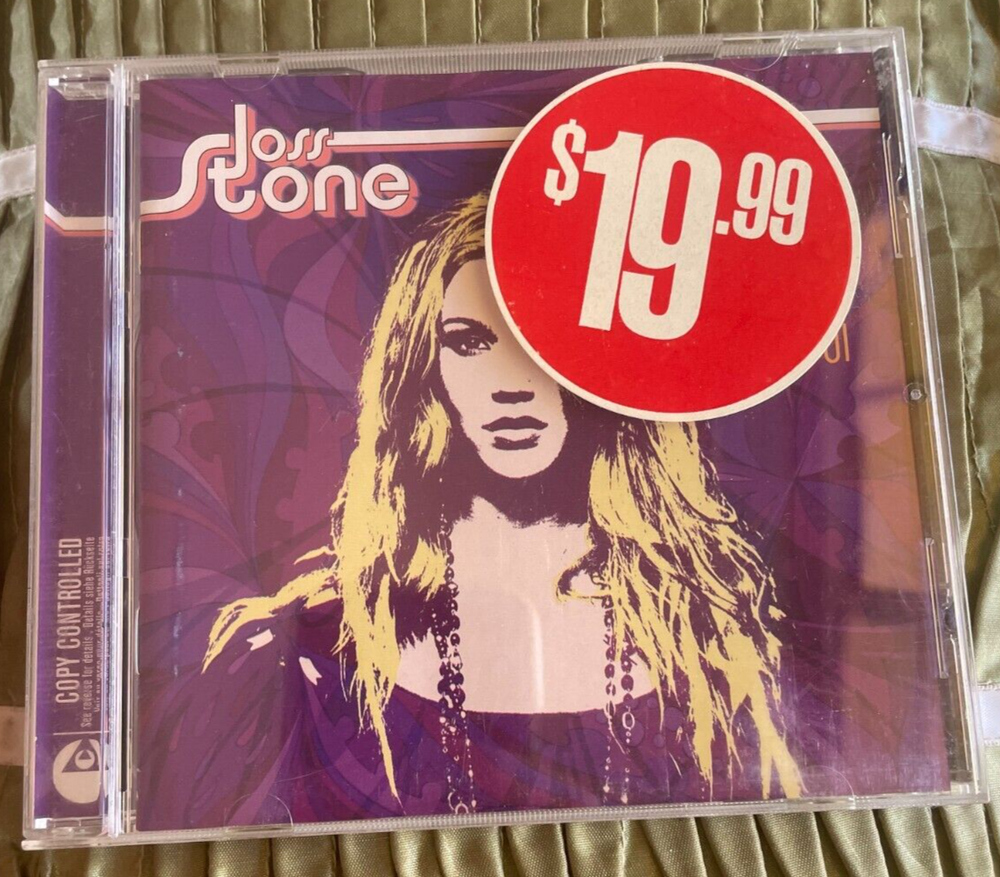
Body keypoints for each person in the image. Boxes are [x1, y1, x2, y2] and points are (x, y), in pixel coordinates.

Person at [158, 192, 798, 828]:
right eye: (468, 342)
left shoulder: (708, 638)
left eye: (545, 338)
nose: (511, 383)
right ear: (421, 370)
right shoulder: (296, 655)